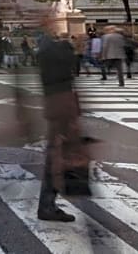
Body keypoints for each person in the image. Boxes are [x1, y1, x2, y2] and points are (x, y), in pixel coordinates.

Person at [37, 28, 90, 221]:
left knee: (55, 159)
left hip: (58, 114)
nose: (83, 47)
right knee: (56, 160)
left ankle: (47, 204)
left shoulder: (54, 61)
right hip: (61, 116)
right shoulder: (60, 64)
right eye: (81, 43)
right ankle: (47, 206)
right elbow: (64, 93)